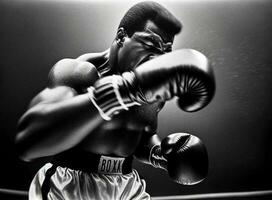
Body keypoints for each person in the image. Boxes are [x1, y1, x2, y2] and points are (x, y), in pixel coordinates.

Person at [15, 1, 215, 200]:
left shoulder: (154, 89)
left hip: (126, 185)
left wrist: (158, 154)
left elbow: (142, 136)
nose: (158, 57)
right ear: (121, 37)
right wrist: (120, 92)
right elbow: (30, 140)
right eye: (150, 43)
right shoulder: (79, 73)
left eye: (166, 50)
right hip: (69, 184)